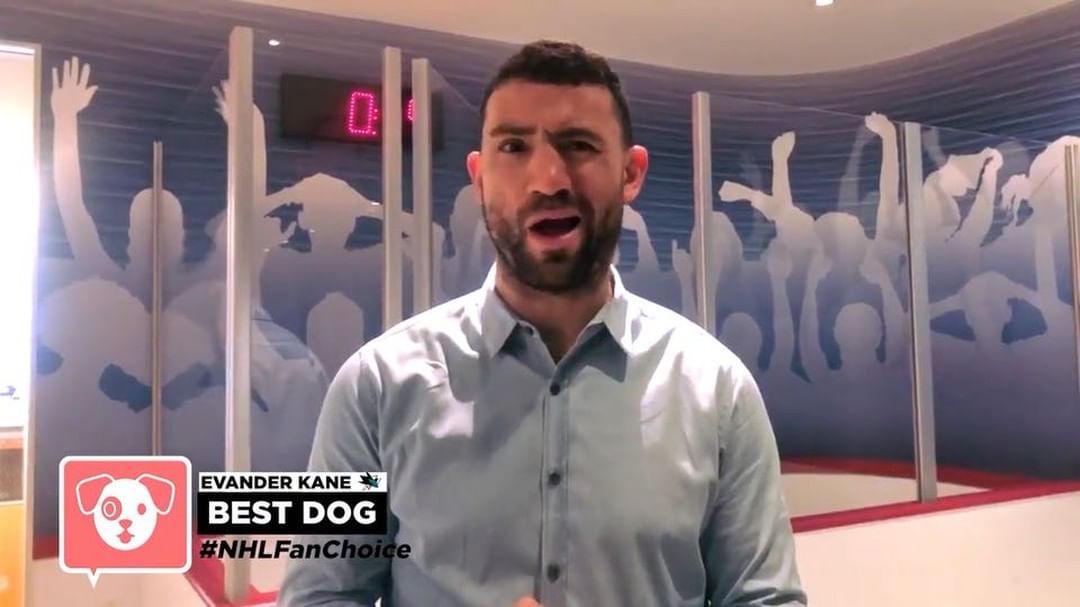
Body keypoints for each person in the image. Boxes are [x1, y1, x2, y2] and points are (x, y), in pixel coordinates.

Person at [278, 40, 806, 607]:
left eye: (578, 145)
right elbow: (317, 598)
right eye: (513, 147)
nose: (548, 179)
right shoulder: (374, 388)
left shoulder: (718, 392)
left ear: (630, 173)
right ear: (479, 176)